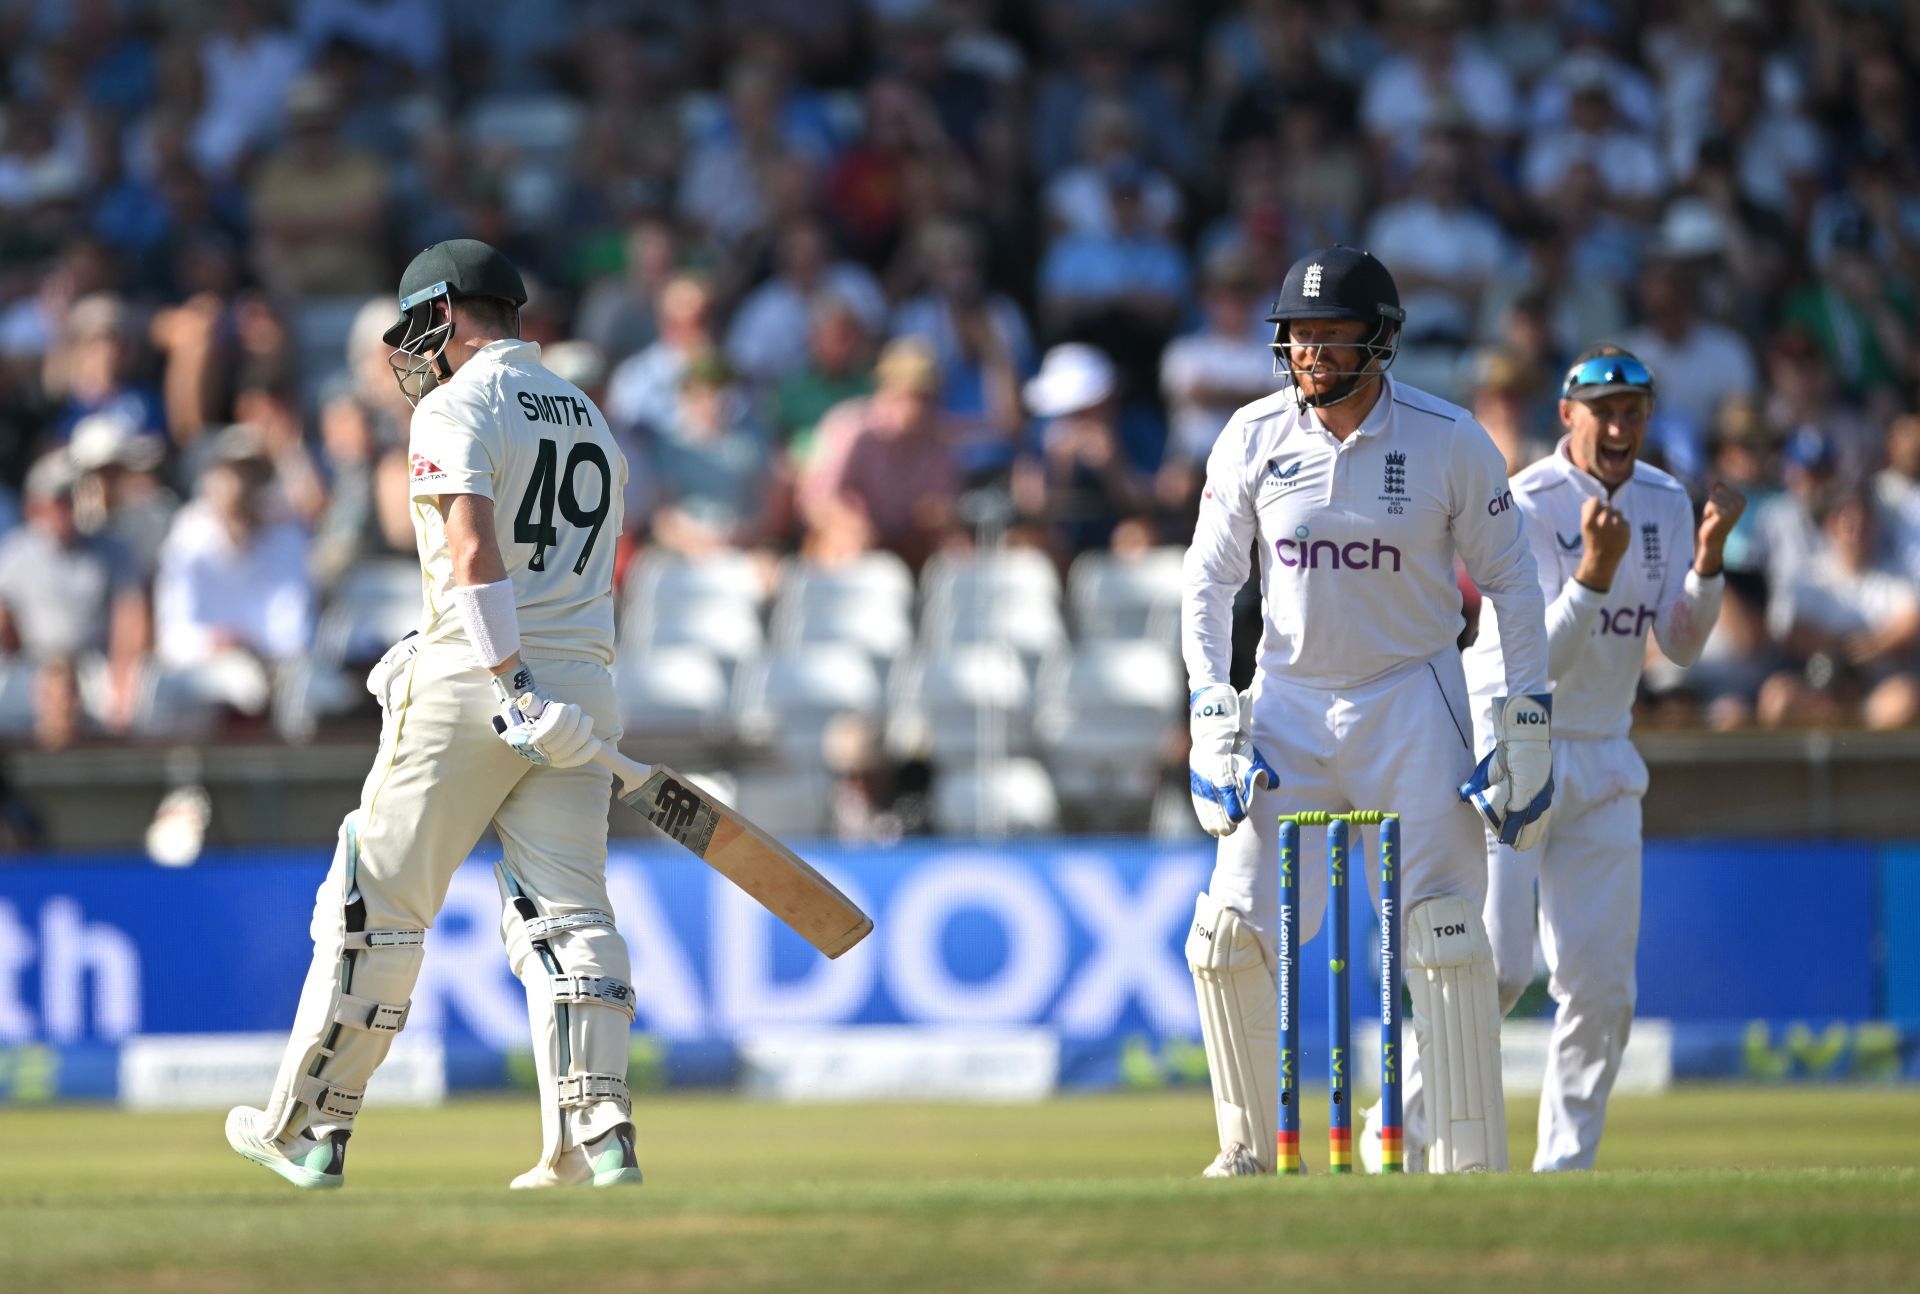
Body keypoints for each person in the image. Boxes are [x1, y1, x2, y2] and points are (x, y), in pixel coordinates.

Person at [224, 240, 639, 1191]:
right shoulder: (589, 415)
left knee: (375, 903)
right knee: (568, 915)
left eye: (420, 326)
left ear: (449, 313)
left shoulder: (457, 406)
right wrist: (553, 689)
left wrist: (504, 678)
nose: (413, 349)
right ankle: (599, 1138)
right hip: (584, 687)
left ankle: (312, 1131)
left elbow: (473, 549)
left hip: (483, 684)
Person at [1182, 245, 1552, 1178]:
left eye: (1330, 335)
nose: (1309, 353)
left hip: (1411, 698)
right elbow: (1208, 582)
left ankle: (1465, 1156)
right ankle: (1250, 1152)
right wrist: (1211, 708)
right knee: (1229, 937)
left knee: (1446, 935)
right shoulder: (1252, 436)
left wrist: (1525, 719)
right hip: (1289, 703)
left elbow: (1513, 580)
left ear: (1380, 341)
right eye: (1298, 335)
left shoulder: (1448, 438)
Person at [1448, 346, 1743, 1172]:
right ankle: (1402, 1118)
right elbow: (1535, 659)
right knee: (1503, 969)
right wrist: (1594, 576)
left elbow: (1679, 646)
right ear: (1568, 416)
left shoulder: (1663, 499)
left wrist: (1709, 561)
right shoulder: (1527, 499)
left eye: (1634, 411)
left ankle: (1564, 1173)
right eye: (1604, 411)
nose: (1620, 426)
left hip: (1606, 747)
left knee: (1603, 989)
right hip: (1515, 737)